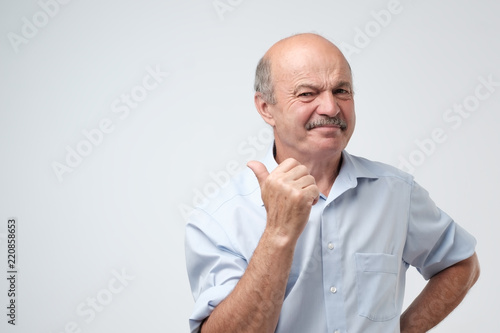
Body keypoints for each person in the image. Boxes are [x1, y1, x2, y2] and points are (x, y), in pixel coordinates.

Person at [185, 33, 480, 333]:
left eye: (341, 90)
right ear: (266, 108)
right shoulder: (218, 218)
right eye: (306, 94)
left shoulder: (397, 193)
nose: (330, 107)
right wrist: (278, 233)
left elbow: (460, 264)